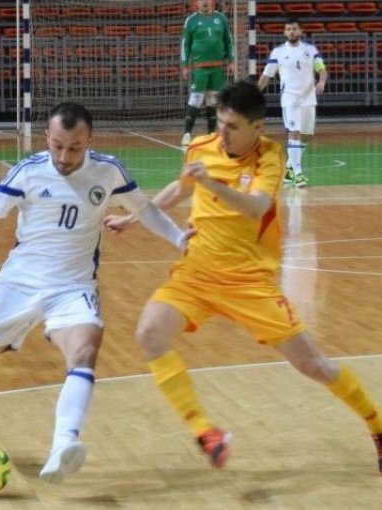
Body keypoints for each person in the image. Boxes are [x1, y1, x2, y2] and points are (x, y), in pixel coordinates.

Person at [104, 81, 382, 473]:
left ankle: (377, 424)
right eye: (219, 123)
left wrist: (212, 184)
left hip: (251, 281)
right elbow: (179, 188)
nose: (223, 132)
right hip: (198, 273)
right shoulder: (202, 148)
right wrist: (134, 219)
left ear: (258, 127)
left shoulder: (270, 156)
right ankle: (206, 432)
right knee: (149, 332)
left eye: (232, 126)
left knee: (314, 365)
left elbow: (257, 207)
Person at [0, 102, 191, 484]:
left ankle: (64, 444)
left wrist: (179, 238)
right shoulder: (28, 172)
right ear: (47, 138)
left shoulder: (108, 170)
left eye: (74, 148)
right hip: (18, 286)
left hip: (73, 287)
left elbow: (144, 209)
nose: (64, 156)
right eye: (58, 145)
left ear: (89, 140)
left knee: (85, 350)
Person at [257, 18, 327, 189]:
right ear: (284, 32)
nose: (291, 32)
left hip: (309, 99)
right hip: (290, 99)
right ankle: (298, 173)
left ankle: (289, 167)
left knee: (307, 136)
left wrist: (322, 81)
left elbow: (322, 69)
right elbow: (267, 75)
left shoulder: (310, 50)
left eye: (294, 29)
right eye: (288, 29)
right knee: (293, 133)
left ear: (300, 31)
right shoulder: (278, 52)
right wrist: (255, 92)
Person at [180, 0, 234, 149]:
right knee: (196, 99)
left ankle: (211, 134)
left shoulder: (221, 18)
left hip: (218, 67)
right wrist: (185, 65)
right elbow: (185, 44)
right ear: (197, 3)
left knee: (213, 100)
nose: (204, 2)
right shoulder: (191, 20)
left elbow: (228, 41)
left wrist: (231, 61)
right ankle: (187, 134)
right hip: (199, 68)